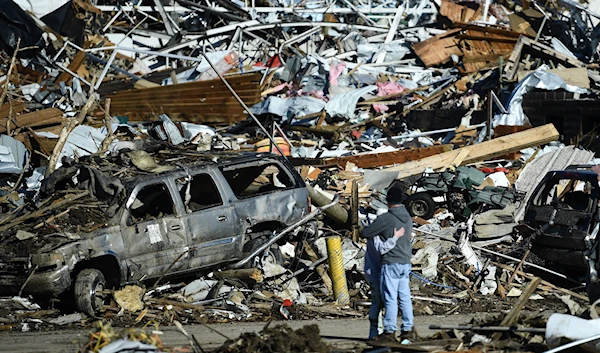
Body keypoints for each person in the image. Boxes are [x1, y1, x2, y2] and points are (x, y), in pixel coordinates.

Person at [361, 186, 414, 343]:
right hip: (406, 263)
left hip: (391, 263)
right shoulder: (408, 218)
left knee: (390, 297)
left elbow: (366, 233)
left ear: (388, 200)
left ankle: (389, 331)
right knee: (404, 297)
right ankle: (407, 330)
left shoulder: (387, 218)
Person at [361, 224, 404, 339]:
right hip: (377, 274)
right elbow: (382, 249)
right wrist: (396, 238)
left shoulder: (373, 234)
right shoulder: (377, 236)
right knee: (384, 303)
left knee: (377, 303)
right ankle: (380, 332)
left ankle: (375, 332)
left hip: (374, 273)